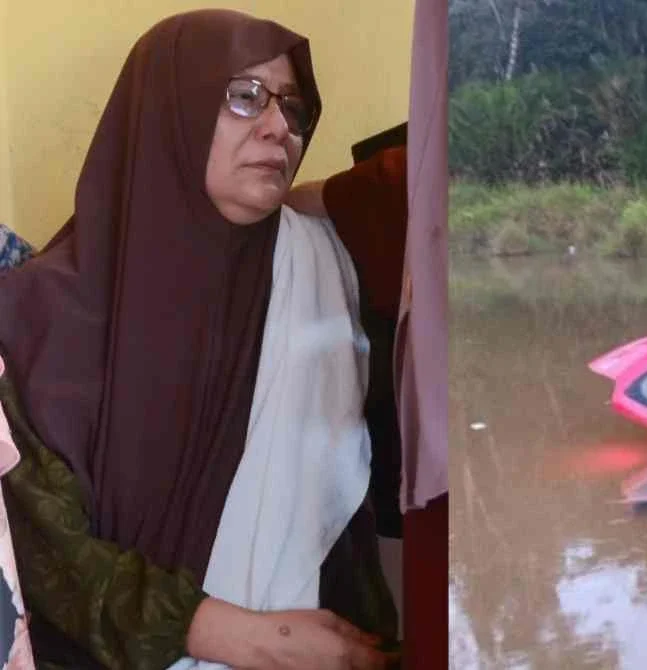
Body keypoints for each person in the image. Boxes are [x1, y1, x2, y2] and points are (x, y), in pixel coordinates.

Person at [0, 9, 398, 670]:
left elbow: (350, 520)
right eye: (244, 97)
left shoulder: (327, 272)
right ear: (165, 109)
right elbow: (39, 552)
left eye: (294, 108)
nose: (279, 127)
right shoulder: (35, 314)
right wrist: (229, 633)